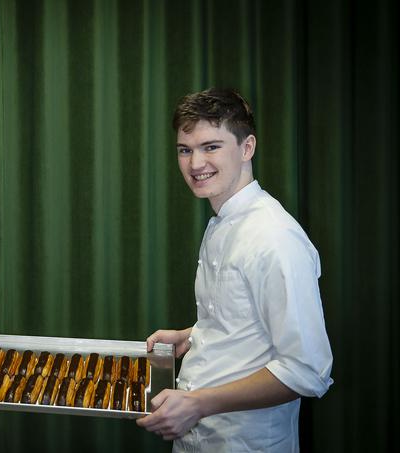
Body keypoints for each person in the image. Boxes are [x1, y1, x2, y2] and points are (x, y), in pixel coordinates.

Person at [136, 88, 333, 451]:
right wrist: (192, 334)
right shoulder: (223, 221)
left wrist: (198, 403)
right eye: (185, 149)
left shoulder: (274, 237)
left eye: (211, 147)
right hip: (198, 438)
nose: (195, 164)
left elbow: (307, 369)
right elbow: (246, 319)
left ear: (247, 148)